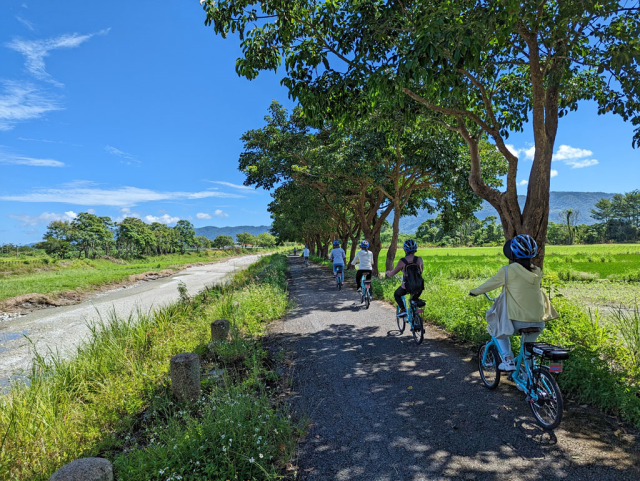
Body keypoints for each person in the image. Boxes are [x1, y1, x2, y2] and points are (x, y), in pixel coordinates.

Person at [469, 234, 558, 372]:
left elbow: (489, 284)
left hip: (517, 320)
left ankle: (508, 359)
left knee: (496, 328)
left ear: (513, 253)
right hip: (538, 320)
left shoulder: (508, 271)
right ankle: (530, 380)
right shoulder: (537, 271)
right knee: (528, 353)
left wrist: (474, 291)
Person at [385, 239, 424, 317]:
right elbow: (421, 271)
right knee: (414, 299)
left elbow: (392, 273)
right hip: (419, 286)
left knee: (397, 294)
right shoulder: (419, 259)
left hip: (407, 287)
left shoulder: (402, 261)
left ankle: (403, 309)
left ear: (405, 249)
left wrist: (388, 273)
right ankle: (416, 314)